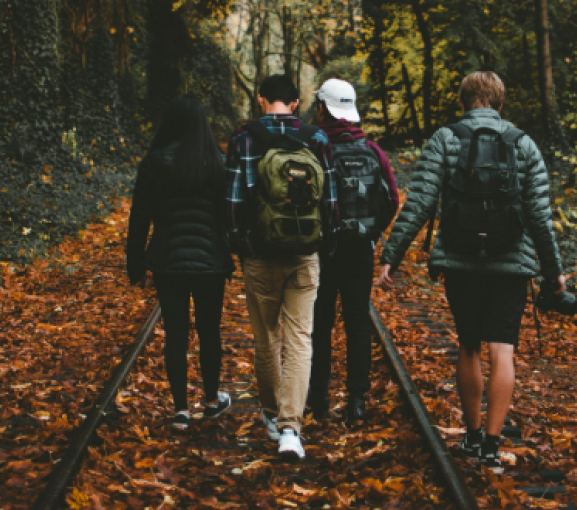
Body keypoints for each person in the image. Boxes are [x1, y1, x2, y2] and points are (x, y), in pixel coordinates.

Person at [378, 71, 566, 473]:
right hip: (512, 262)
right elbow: (539, 216)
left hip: (461, 259)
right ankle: (493, 445)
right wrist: (554, 274)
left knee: (468, 345)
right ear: (500, 104)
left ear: (463, 103)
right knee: (503, 349)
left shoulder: (445, 139)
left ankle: (473, 433)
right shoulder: (524, 144)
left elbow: (421, 202)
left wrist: (391, 255)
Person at [226, 74, 339, 460]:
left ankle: (272, 417)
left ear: (260, 100)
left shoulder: (244, 138)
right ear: (295, 103)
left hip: (259, 254)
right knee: (300, 341)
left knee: (266, 340)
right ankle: (292, 429)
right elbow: (331, 201)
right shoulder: (317, 138)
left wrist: (242, 245)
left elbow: (233, 203)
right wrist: (324, 243)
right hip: (305, 254)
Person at [127, 94, 235, 430]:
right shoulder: (218, 163)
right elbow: (228, 216)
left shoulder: (154, 163)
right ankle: (212, 400)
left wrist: (136, 264)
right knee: (209, 331)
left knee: (175, 332)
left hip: (168, 261)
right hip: (210, 263)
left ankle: (181, 410)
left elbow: (139, 217)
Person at [308, 79, 399, 422]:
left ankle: (318, 399)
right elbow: (391, 198)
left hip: (322, 250)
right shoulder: (372, 151)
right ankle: (356, 400)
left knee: (321, 323)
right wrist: (372, 232)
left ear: (322, 109)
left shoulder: (315, 149)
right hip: (360, 249)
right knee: (358, 322)